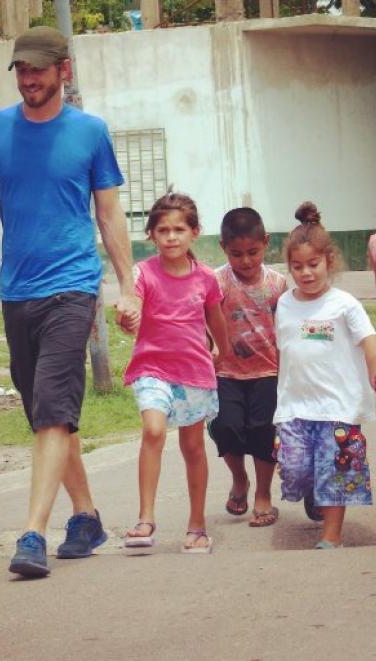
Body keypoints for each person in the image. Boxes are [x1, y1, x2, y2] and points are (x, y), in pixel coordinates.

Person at [0, 26, 139, 578]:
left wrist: (127, 285)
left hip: (72, 287)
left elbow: (109, 214)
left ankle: (32, 534)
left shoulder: (90, 132)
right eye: (21, 69)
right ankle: (86, 516)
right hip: (16, 291)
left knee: (50, 407)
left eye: (39, 69)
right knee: (46, 415)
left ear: (64, 70)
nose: (29, 78)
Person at [123, 190, 228, 553]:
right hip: (152, 369)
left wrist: (223, 352)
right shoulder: (143, 273)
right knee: (153, 430)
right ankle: (145, 517)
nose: (171, 236)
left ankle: (197, 525)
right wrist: (128, 315)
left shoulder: (206, 278)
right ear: (151, 235)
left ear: (194, 233)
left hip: (194, 372)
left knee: (193, 446)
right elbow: (131, 303)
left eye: (179, 229)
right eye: (163, 230)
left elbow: (216, 318)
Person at [274, 201, 376, 549]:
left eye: (313, 264)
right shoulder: (285, 304)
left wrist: (374, 370)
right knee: (295, 468)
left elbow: (368, 339)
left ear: (329, 261)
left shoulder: (345, 303)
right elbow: (284, 350)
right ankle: (312, 490)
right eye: (297, 266)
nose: (306, 273)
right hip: (295, 405)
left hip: (339, 406)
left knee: (338, 470)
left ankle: (331, 536)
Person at [207, 208, 287, 527]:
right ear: (224, 247)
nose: (246, 261)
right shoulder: (216, 282)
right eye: (237, 254)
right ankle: (240, 480)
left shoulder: (278, 283)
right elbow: (203, 324)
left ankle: (264, 495)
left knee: (263, 432)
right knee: (226, 427)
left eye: (253, 252)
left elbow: (288, 328)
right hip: (226, 373)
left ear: (265, 243)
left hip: (268, 371)